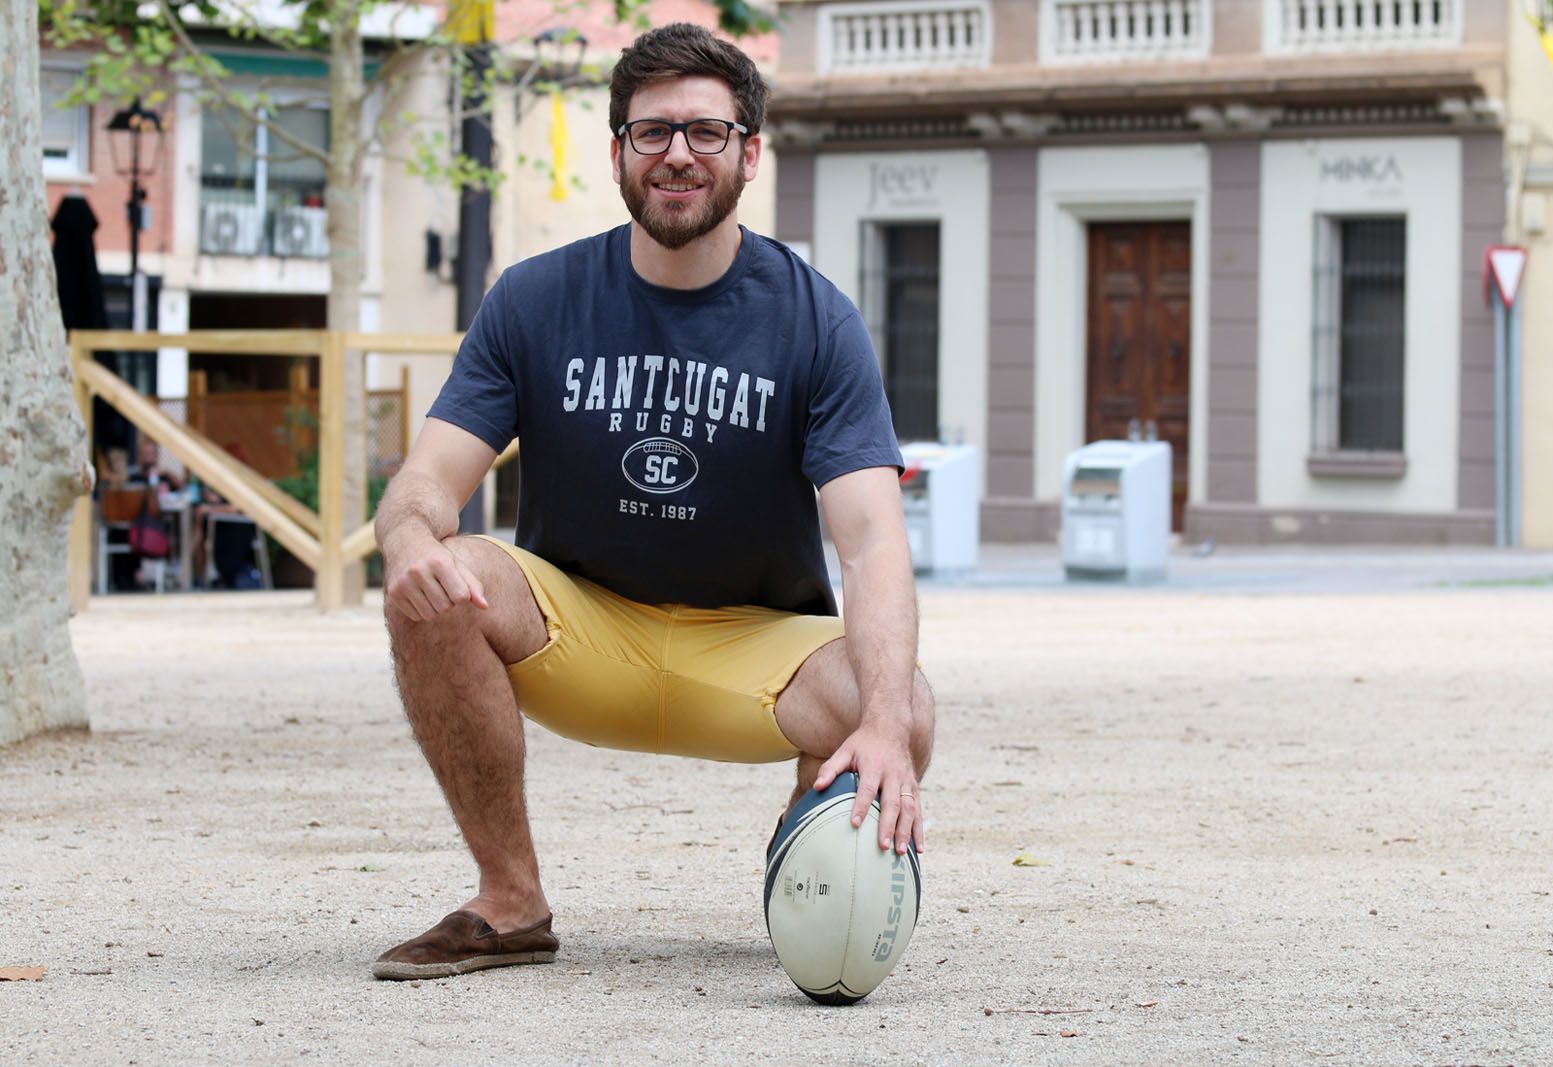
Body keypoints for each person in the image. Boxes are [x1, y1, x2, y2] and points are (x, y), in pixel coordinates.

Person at [371, 22, 934, 981]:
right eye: (652, 131)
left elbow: (872, 542)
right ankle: (509, 901)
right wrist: (407, 539)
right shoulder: (534, 298)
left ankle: (809, 880)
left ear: (748, 154)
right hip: (579, 631)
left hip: (752, 648)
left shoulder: (816, 319)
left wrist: (880, 720)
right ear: (618, 153)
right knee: (441, 579)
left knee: (902, 706)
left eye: (706, 131)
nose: (677, 152)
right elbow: (426, 480)